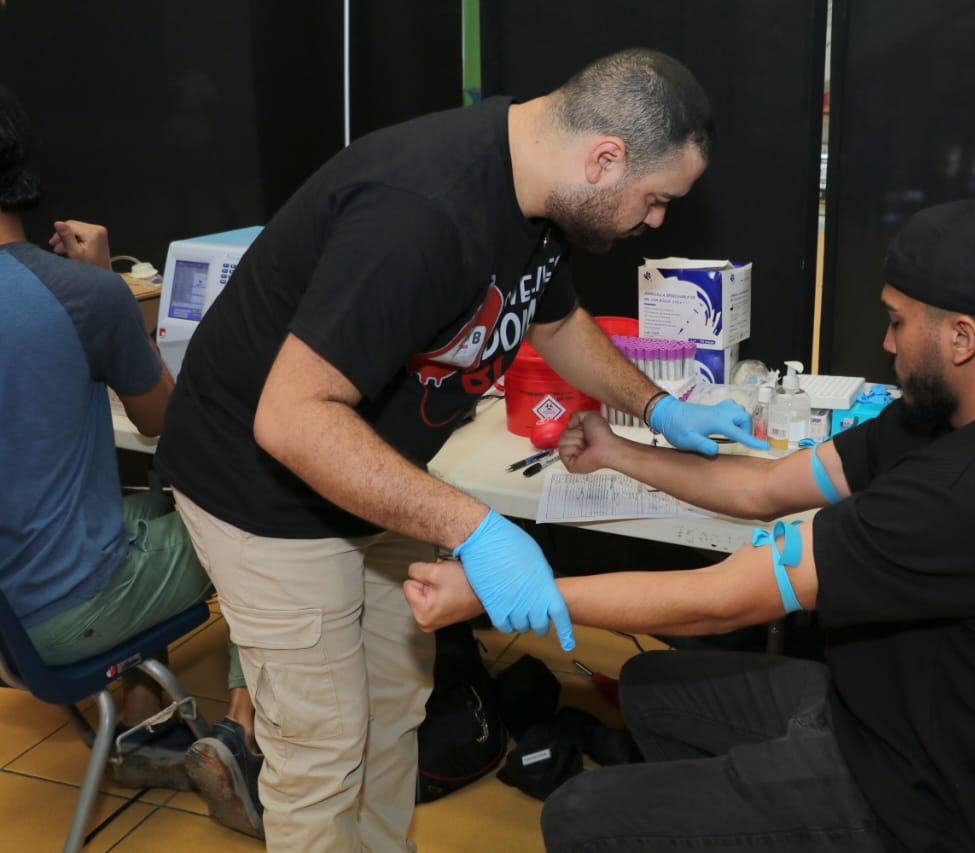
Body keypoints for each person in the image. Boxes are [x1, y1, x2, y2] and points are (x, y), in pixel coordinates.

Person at [154, 47, 764, 851]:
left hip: (367, 464)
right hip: (264, 487)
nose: (655, 220)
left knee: (397, 702)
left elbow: (552, 319)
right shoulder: (420, 214)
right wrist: (475, 525)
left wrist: (658, 404)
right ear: (605, 158)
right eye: (654, 201)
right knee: (322, 749)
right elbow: (293, 420)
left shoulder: (540, 186)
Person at [407, 198, 975, 852]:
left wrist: (503, 590)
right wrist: (620, 450)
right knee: (653, 688)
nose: (888, 342)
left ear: (962, 336)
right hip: (880, 711)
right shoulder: (970, 413)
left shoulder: (969, 491)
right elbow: (766, 487)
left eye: (899, 320)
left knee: (578, 816)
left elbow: (724, 596)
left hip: (908, 802)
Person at [0, 85, 262, 838]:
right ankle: (248, 738)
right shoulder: (81, 294)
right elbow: (168, 427)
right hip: (65, 611)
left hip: (12, 611)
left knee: (139, 509)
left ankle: (146, 723)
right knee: (263, 513)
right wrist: (112, 285)